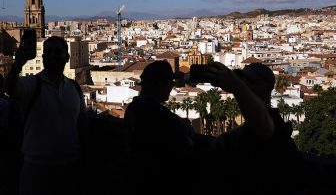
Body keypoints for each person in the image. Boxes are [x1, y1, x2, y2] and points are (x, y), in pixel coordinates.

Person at [196, 62, 302, 194]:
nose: (244, 83)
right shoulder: (257, 123)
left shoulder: (271, 123)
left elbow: (263, 125)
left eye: (249, 80)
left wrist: (237, 86)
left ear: (265, 85)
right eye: (241, 79)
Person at [5, 36, 88, 195]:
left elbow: (82, 124)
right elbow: (9, 88)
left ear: (67, 57)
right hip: (36, 168)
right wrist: (17, 66)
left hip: (69, 167)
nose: (52, 55)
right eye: (48, 52)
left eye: (58, 51)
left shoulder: (74, 87)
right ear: (42, 57)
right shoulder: (31, 84)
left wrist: (85, 160)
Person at [124, 60, 195, 194]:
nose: (172, 87)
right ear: (160, 84)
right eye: (170, 83)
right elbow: (187, 141)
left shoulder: (132, 109)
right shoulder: (160, 115)